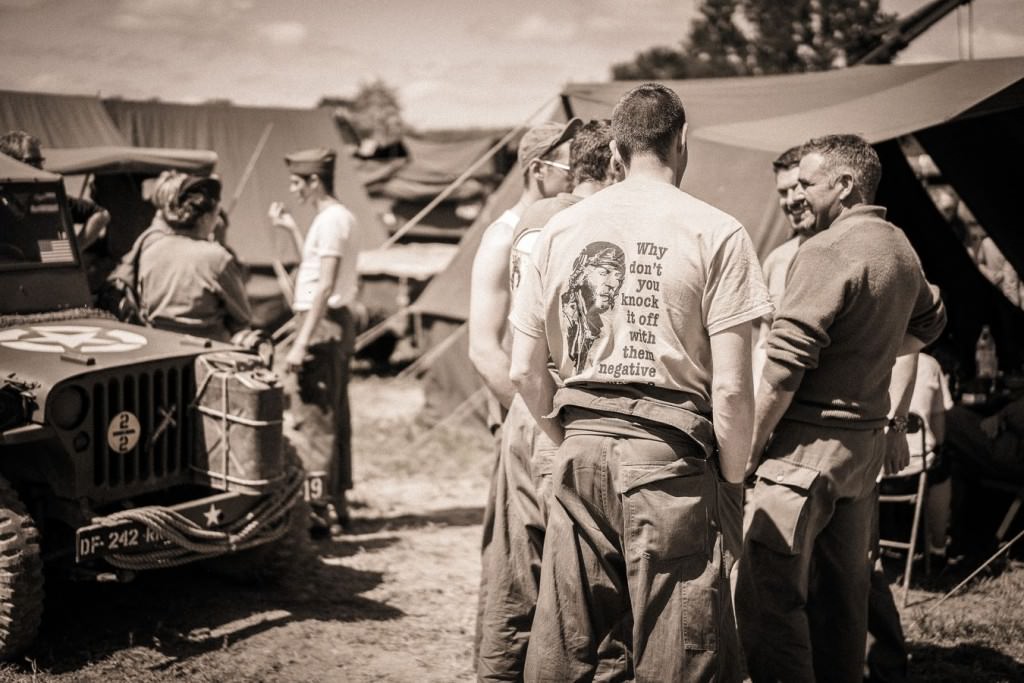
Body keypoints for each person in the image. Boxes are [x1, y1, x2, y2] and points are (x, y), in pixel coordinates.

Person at [511, 83, 771, 681]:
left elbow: (523, 369)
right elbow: (732, 388)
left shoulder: (557, 231)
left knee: (579, 641)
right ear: (682, 143)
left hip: (578, 450)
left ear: (618, 152)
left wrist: (567, 437)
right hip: (670, 465)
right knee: (676, 647)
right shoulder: (718, 232)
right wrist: (731, 479)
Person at [736, 134, 946, 683]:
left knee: (768, 597)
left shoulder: (824, 249)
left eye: (807, 182)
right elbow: (932, 321)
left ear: (845, 184)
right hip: (861, 455)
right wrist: (868, 352)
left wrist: (746, 453)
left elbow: (783, 366)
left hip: (804, 456)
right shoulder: (898, 244)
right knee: (843, 600)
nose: (798, 194)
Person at [476, 119, 616, 681]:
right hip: (548, 409)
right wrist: (544, 419)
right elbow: (483, 346)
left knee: (525, 568)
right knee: (559, 575)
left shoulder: (533, 223)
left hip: (536, 408)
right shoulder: (557, 223)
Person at [469, 118, 581, 664]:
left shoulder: (573, 222)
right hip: (530, 418)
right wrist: (538, 419)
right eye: (568, 166)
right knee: (517, 564)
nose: (577, 175)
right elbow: (484, 348)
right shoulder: (505, 232)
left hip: (548, 417)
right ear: (539, 170)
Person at [269, 148, 360, 537]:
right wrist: (291, 229)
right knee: (333, 416)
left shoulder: (331, 221)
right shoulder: (335, 219)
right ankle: (336, 503)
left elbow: (324, 285)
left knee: (314, 423)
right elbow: (320, 268)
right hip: (328, 322)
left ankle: (318, 513)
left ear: (314, 181)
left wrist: (300, 343)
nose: (293, 189)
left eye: (296, 182)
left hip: (319, 325)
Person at [128, 174, 252, 341]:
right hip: (207, 351)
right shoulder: (216, 257)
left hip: (159, 345)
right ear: (206, 218)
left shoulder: (151, 248)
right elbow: (243, 317)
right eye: (216, 214)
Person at [752, 145, 816, 383]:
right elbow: (763, 343)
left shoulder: (852, 250)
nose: (790, 201)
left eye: (796, 188)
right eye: (782, 192)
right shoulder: (775, 261)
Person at [0, 130, 110, 252]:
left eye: (40, 161)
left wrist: (74, 250)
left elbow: (101, 215)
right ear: (12, 163)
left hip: (50, 269)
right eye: (32, 162)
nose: (40, 168)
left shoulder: (49, 199)